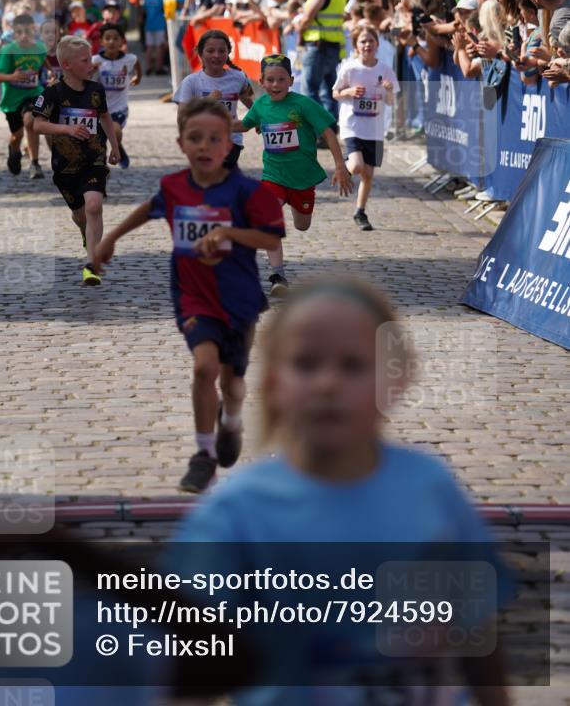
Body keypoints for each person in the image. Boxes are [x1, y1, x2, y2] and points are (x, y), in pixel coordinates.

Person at [174, 278, 512, 704]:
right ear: (273, 384)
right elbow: (193, 672)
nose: (328, 384)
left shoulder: (431, 487)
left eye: (352, 366)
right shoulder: (233, 516)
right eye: (306, 364)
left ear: (396, 379)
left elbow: (477, 628)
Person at [93, 98, 285, 492]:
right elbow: (150, 208)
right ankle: (203, 455)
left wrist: (228, 233)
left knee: (232, 385)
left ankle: (231, 420)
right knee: (203, 367)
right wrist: (111, 237)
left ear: (229, 145)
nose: (204, 146)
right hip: (193, 297)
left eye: (214, 138)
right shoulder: (174, 187)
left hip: (239, 299)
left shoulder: (248, 192)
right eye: (195, 138)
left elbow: (270, 238)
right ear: (181, 143)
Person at [235, 54, 351, 297]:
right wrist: (214, 120)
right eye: (270, 80)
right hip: (274, 175)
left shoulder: (303, 104)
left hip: (302, 179)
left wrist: (340, 166)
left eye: (281, 79)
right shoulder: (261, 105)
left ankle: (291, 212)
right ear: (261, 81)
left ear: (291, 80)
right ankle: (278, 275)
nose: (275, 85)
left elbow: (328, 133)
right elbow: (244, 125)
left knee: (302, 225)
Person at [32, 37, 119, 286]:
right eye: (85, 60)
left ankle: (91, 265)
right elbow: (37, 125)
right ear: (67, 65)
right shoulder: (53, 93)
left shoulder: (96, 90)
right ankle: (85, 233)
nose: (91, 64)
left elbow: (105, 116)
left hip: (94, 160)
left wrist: (115, 146)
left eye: (90, 59)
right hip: (65, 167)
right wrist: (67, 129)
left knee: (94, 206)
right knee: (81, 216)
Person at [333, 24, 399, 231]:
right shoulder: (349, 68)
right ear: (356, 46)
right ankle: (343, 167)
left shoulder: (385, 70)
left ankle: (360, 212)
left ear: (377, 44)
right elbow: (335, 92)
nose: (367, 45)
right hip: (352, 125)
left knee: (368, 175)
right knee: (356, 167)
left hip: (374, 128)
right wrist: (349, 92)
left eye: (371, 41)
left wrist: (389, 91)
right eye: (363, 41)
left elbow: (390, 102)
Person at [173, 29, 253, 169]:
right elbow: (182, 118)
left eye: (222, 51)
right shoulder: (191, 82)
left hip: (231, 141)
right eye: (210, 51)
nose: (216, 55)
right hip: (203, 142)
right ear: (200, 54)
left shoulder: (239, 77)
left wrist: (258, 119)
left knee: (221, 176)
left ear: (228, 52)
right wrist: (206, 102)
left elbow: (251, 103)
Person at [0, 12, 48, 179]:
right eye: (19, 32)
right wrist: (12, 77)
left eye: (27, 31)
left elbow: (45, 64)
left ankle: (35, 163)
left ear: (34, 30)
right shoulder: (8, 50)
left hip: (34, 94)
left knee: (30, 120)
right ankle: (14, 150)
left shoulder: (40, 48)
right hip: (12, 100)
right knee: (17, 136)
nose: (24, 36)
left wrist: (51, 74)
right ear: (13, 33)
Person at [295, 0, 348, 122]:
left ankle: (319, 130)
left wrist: (300, 32)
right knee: (328, 93)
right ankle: (330, 129)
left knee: (309, 92)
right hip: (332, 45)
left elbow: (308, 17)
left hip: (318, 45)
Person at [91, 21, 141, 168]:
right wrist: (92, 71)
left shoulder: (129, 59)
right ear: (101, 41)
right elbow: (86, 78)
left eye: (115, 38)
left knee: (115, 131)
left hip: (119, 108)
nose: (111, 42)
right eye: (107, 38)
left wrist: (138, 77)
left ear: (122, 41)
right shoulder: (96, 60)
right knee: (100, 139)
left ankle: (117, 146)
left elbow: (137, 63)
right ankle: (103, 164)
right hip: (100, 109)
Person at [143, 0, 167, 76]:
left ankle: (148, 67)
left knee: (149, 47)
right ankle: (158, 68)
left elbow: (143, 11)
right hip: (159, 25)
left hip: (149, 25)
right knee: (159, 47)